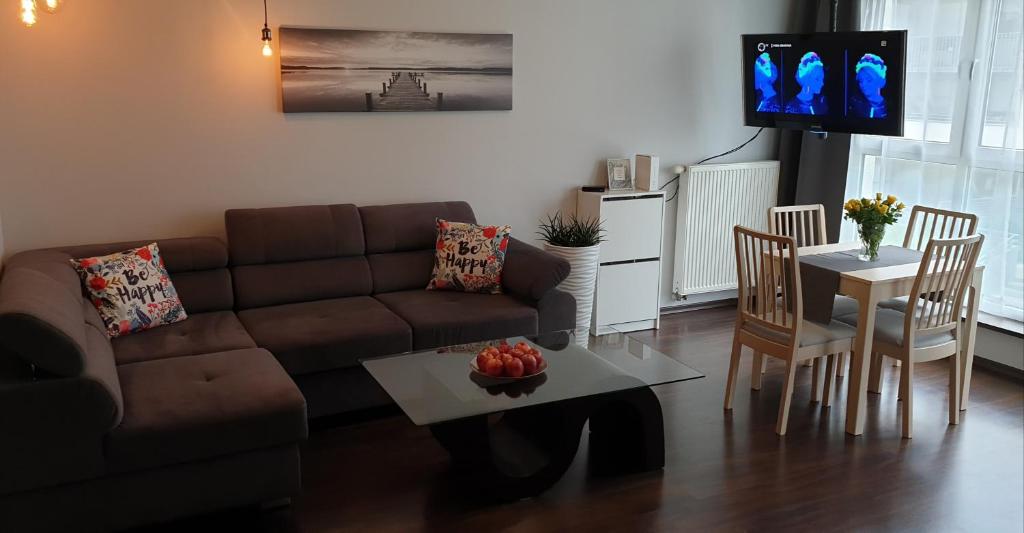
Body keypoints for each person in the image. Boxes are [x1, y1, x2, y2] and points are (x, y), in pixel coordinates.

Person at [849, 53, 888, 118]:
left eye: (869, 80)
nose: (863, 85)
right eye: (861, 81)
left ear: (881, 81)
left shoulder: (890, 107)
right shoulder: (855, 106)